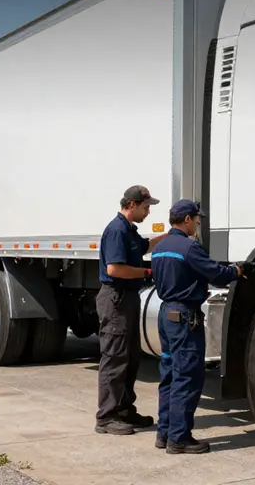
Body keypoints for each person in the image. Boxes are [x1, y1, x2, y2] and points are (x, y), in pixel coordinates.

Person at [152, 198, 255, 454]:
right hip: (184, 317)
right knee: (187, 377)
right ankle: (179, 439)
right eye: (197, 221)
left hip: (166, 315)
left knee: (169, 374)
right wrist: (239, 270)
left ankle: (164, 433)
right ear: (187, 219)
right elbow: (217, 275)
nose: (197, 225)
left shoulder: (160, 247)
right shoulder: (189, 247)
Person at [95, 185, 168, 436]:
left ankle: (124, 410)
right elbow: (115, 269)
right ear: (133, 205)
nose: (148, 212)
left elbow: (144, 246)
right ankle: (106, 417)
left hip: (127, 298)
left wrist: (168, 236)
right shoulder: (117, 230)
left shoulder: (129, 230)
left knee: (129, 357)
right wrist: (148, 272)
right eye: (146, 207)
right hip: (116, 299)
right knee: (115, 357)